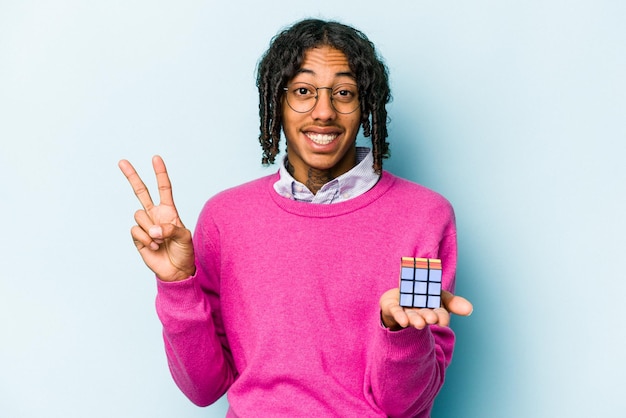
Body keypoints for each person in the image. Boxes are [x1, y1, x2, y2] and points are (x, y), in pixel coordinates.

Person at [119, 18, 473, 417]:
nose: (324, 112)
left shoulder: (424, 215)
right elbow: (202, 389)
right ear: (277, 101)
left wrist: (402, 331)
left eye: (344, 92)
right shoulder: (225, 218)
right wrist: (176, 284)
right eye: (303, 91)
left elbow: (405, 404)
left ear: (366, 104)